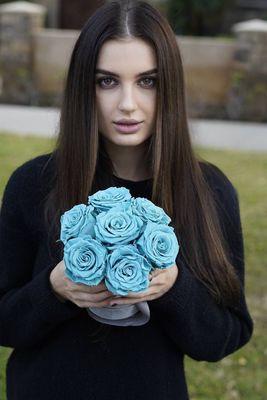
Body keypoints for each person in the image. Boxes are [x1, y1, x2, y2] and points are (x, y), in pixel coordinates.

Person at [0, 1, 253, 399]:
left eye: (147, 81)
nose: (128, 104)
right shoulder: (33, 184)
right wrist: (53, 291)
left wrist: (173, 286)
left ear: (170, 85)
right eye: (107, 81)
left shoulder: (209, 191)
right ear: (84, 86)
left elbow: (226, 336)